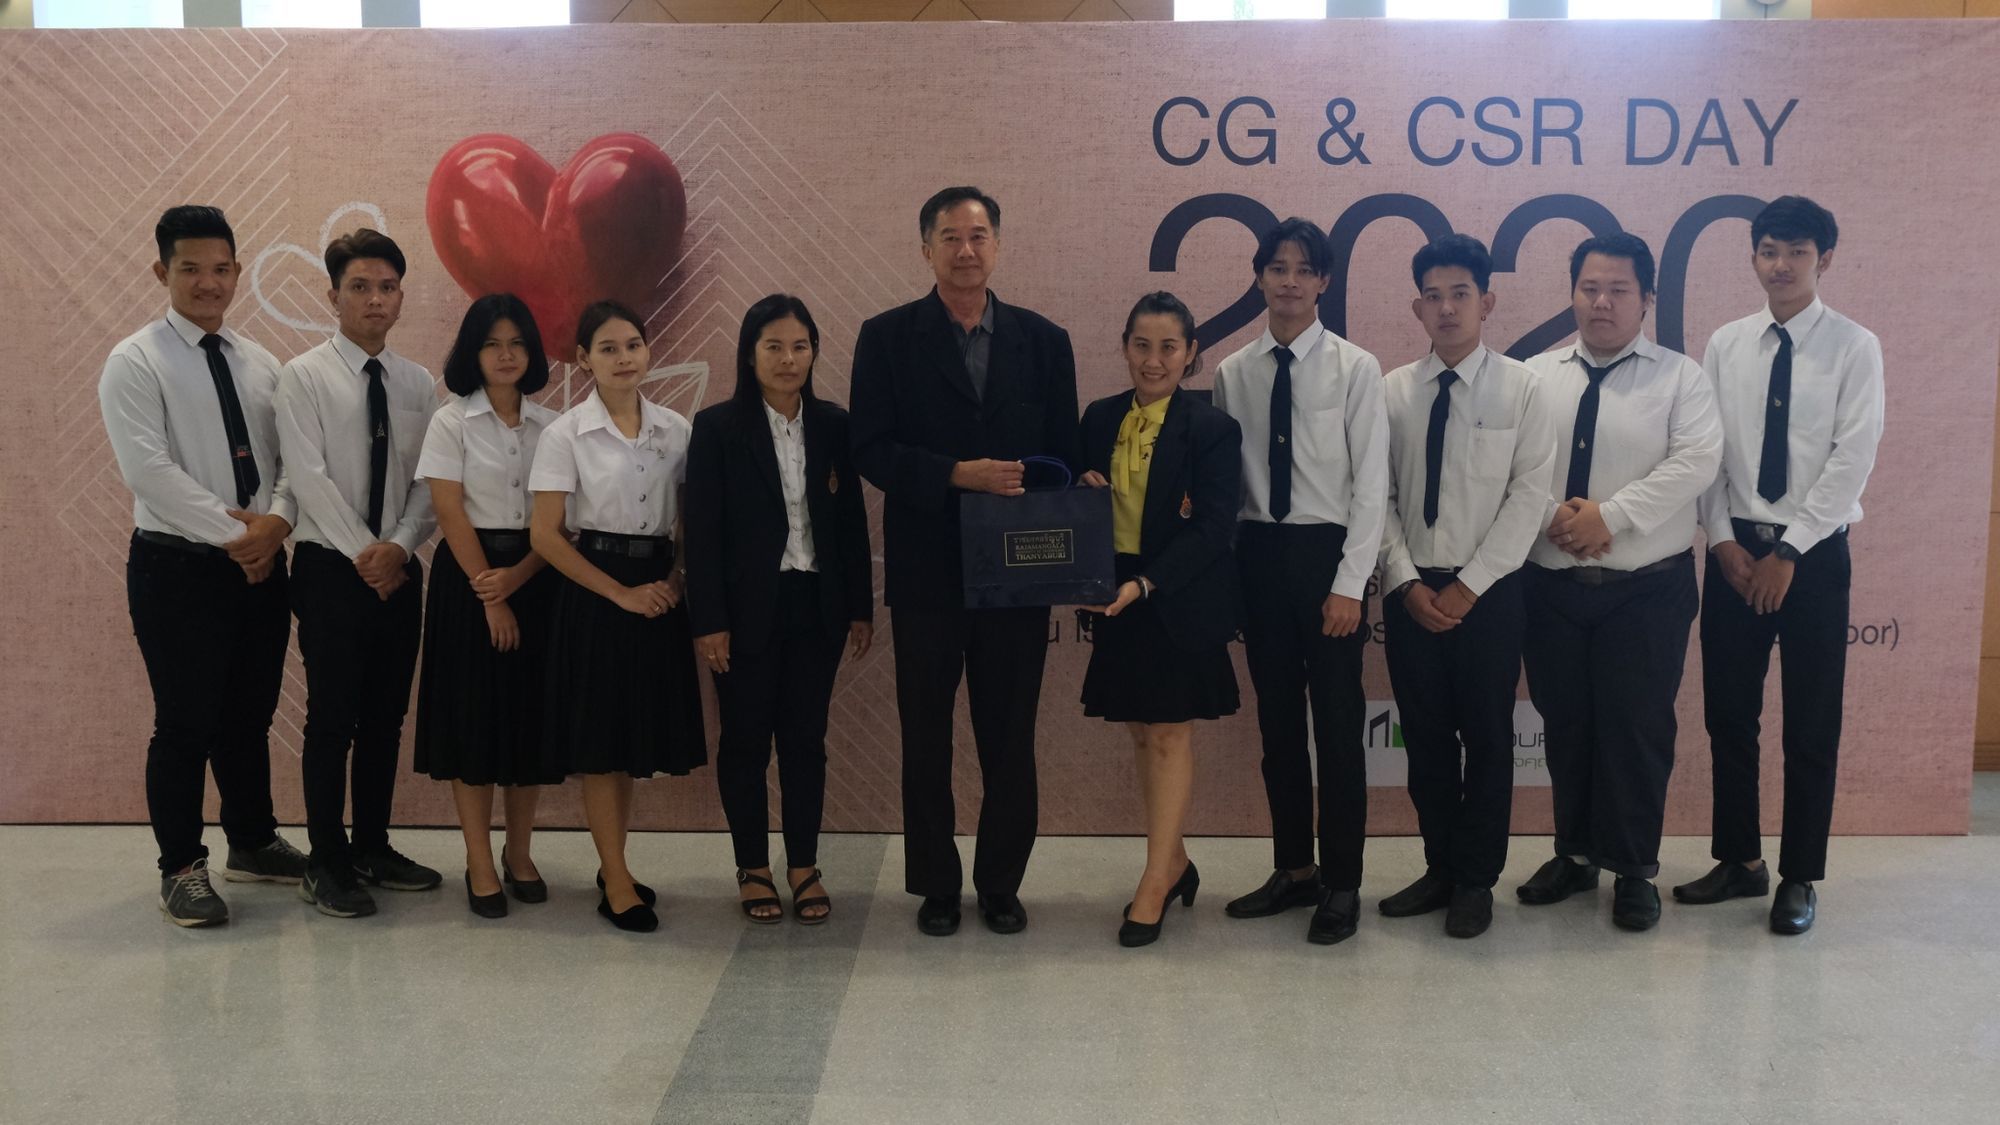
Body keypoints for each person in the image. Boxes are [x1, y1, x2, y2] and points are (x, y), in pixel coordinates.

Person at [849, 186, 1079, 937]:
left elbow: (1065, 453)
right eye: (950, 237)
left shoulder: (1045, 341)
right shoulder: (886, 337)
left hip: (1019, 569)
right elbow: (870, 448)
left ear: (998, 246)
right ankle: (937, 885)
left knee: (1009, 735)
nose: (966, 250)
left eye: (978, 235)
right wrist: (956, 473)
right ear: (926, 250)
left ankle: (1001, 883)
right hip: (927, 571)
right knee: (926, 735)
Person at [1677, 196, 1884, 935]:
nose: (1781, 264)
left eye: (1797, 251)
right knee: (1730, 715)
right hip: (1735, 553)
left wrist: (1789, 550)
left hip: (1813, 556)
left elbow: (1852, 457)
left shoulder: (1855, 346)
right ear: (1753, 257)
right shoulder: (1727, 344)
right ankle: (1740, 859)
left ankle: (1799, 876)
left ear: (1824, 258)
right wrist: (1722, 540)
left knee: (1811, 723)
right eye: (1769, 250)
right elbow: (1708, 451)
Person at [99, 205, 306, 926]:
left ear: (238, 272)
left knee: (249, 716)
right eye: (190, 269)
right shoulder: (135, 360)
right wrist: (239, 538)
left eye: (221, 269)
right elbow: (148, 472)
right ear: (163, 271)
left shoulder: (262, 363)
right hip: (177, 568)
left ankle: (251, 840)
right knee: (185, 721)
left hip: (261, 562)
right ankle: (181, 867)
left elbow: (290, 460)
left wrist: (277, 524)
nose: (208, 283)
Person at [1516, 232, 1722, 932]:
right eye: (1589, 288)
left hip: (1647, 589)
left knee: (1636, 730)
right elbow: (1510, 464)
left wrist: (1610, 516)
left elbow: (1695, 462)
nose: (1602, 302)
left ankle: (1634, 868)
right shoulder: (1534, 376)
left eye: (1619, 290)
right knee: (1566, 724)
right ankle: (1575, 854)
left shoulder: (1681, 378)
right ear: (1573, 293)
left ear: (1647, 299)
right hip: (1552, 586)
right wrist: (1554, 516)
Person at [1212, 217, 1389, 947]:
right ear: (1259, 277)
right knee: (1278, 726)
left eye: (1303, 269)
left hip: (1328, 559)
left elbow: (1371, 486)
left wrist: (1350, 584)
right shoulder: (1233, 372)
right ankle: (1294, 868)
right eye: (1276, 267)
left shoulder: (1356, 368)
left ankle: (1343, 882)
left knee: (1339, 730)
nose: (1289, 281)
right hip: (1259, 557)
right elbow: (1226, 489)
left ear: (1324, 281)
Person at [1376, 234, 1556, 940]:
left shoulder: (1523, 387)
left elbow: (1529, 497)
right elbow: (1379, 497)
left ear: (1487, 302)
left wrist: (1470, 587)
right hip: (1411, 592)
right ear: (1417, 307)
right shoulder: (1391, 391)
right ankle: (1440, 868)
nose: (1447, 308)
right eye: (1434, 296)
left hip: (1492, 592)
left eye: (1461, 294)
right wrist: (1404, 580)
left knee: (1486, 739)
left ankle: (1477, 879)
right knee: (1424, 739)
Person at [685, 295, 875, 926]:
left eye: (800, 346)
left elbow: (850, 524)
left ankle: (803, 867)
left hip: (817, 605)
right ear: (750, 354)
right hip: (744, 611)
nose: (788, 359)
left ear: (814, 352)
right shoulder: (717, 428)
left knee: (804, 741)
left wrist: (859, 607)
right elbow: (702, 532)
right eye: (774, 346)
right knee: (744, 741)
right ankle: (752, 867)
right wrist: (709, 620)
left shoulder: (834, 425)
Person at [276, 228, 442, 918]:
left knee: (384, 718)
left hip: (399, 571)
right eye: (360, 287)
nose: (375, 298)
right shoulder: (303, 375)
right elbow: (306, 478)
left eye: (387, 286)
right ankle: (326, 859)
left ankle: (373, 844)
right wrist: (365, 555)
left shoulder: (418, 382)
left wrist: (398, 548)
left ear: (401, 296)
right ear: (333, 296)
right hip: (329, 569)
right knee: (331, 718)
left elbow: (429, 481)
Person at [529, 300, 706, 934]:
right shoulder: (565, 434)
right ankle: (616, 879)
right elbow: (546, 535)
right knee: (602, 745)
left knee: (631, 743)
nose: (624, 357)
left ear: (648, 350)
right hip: (597, 588)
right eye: (607, 348)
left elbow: (690, 522)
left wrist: (676, 579)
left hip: (659, 587)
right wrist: (619, 594)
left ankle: (616, 867)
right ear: (584, 359)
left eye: (633, 344)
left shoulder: (676, 430)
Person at [1077, 291, 1243, 949]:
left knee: (1170, 733)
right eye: (1141, 345)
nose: (1154, 360)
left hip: (1178, 598)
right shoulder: (1098, 416)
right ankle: (1173, 860)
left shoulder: (1212, 428)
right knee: (1142, 733)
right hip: (1115, 595)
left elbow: (1214, 527)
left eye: (1168, 347)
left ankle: (1154, 880)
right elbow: (1075, 505)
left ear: (1191, 352)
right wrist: (1081, 492)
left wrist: (1148, 582)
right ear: (1125, 347)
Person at [413, 294, 564, 919]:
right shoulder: (451, 422)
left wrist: (519, 579)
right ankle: (478, 859)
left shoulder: (553, 426)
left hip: (537, 574)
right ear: (472, 353)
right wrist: (491, 594)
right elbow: (449, 512)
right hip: (469, 578)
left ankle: (519, 852)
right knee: (472, 723)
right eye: (492, 344)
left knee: (528, 722)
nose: (506, 355)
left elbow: (558, 521)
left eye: (517, 343)